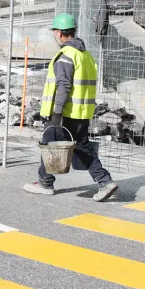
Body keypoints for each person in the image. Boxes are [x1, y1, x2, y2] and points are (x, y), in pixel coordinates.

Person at [24, 13, 118, 201]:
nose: (54, 35)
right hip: (81, 112)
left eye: (54, 32)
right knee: (82, 147)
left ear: (59, 33)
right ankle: (105, 181)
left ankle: (45, 183)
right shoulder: (85, 55)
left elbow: (64, 85)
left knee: (49, 144)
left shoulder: (66, 55)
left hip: (65, 112)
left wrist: (57, 112)